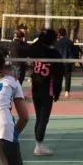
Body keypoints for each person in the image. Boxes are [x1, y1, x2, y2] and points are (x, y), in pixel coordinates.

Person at [25, 28, 65, 157]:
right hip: (46, 89)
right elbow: (59, 75)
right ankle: (39, 145)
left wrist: (41, 38)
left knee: (39, 117)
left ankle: (38, 144)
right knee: (43, 118)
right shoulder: (54, 54)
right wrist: (57, 92)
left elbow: (30, 49)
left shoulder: (36, 50)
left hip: (36, 87)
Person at [55, 28, 78, 98]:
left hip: (59, 62)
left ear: (59, 34)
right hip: (67, 62)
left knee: (58, 77)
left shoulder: (57, 43)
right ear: (65, 33)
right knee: (68, 77)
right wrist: (73, 62)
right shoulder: (70, 42)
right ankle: (67, 92)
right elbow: (74, 52)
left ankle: (57, 92)